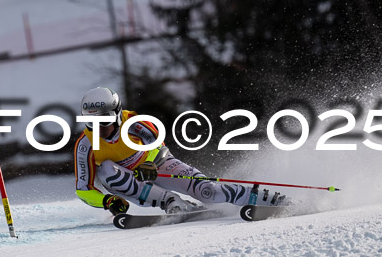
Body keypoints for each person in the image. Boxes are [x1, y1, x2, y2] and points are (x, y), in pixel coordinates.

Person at [73, 87, 286, 216]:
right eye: (90, 121)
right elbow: (83, 188)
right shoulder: (85, 145)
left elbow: (158, 145)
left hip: (159, 167)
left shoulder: (135, 123)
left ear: (118, 114)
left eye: (105, 120)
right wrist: (106, 201)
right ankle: (171, 202)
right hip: (130, 181)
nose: (98, 127)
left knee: (209, 192)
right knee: (106, 171)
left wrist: (149, 163)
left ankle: (266, 199)